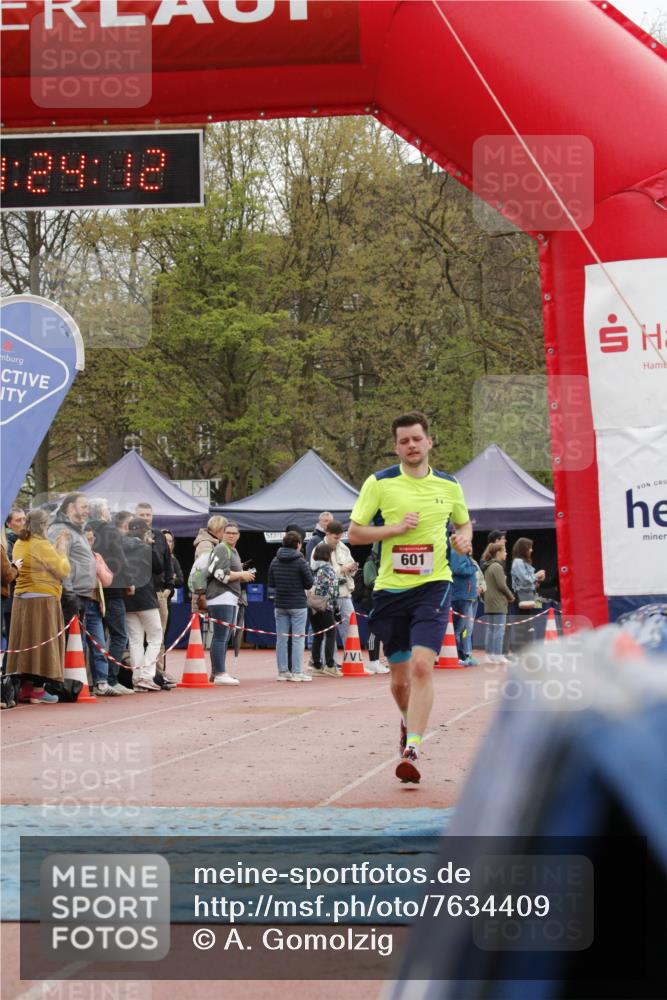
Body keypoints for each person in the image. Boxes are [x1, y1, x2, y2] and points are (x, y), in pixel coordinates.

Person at [348, 411, 472, 784]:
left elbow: (463, 521)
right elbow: (354, 533)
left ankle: (413, 746)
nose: (411, 446)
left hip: (434, 585)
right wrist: (395, 529)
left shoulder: (449, 485)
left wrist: (464, 538)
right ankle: (407, 723)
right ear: (396, 446)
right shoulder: (380, 483)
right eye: (404, 441)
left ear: (429, 441)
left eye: (417, 439)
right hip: (390, 591)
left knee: (422, 666)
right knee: (400, 679)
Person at [6, 508, 71, 704]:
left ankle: (25, 688)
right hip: (43, 599)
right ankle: (37, 690)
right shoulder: (41, 544)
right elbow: (63, 570)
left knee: (25, 644)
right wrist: (62, 548)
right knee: (44, 644)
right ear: (43, 525)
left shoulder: (19, 542)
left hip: (21, 598)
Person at [88, 503, 133, 694]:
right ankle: (111, 679)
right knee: (119, 635)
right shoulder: (110, 531)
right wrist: (129, 581)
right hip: (113, 589)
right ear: (103, 513)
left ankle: (97, 679)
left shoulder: (85, 530)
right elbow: (119, 557)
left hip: (93, 590)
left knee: (96, 638)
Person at [206, 531, 255, 685]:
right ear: (222, 534)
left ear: (239, 535)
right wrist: (241, 574)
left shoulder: (233, 550)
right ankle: (220, 673)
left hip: (230, 597)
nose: (231, 535)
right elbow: (220, 574)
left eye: (234, 533)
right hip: (222, 596)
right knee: (221, 637)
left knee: (223, 636)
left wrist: (240, 573)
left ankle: (217, 673)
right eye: (228, 533)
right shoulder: (222, 548)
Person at [123, 518, 164, 692]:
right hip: (146, 597)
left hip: (128, 598)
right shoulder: (145, 547)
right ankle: (146, 676)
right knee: (155, 637)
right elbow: (159, 566)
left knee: (135, 640)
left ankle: (137, 677)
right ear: (143, 531)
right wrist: (152, 545)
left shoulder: (121, 547)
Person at [47, 492, 97, 632]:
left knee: (76, 644)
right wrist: (69, 593)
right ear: (71, 507)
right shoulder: (61, 529)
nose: (87, 511)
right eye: (84, 507)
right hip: (71, 596)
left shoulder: (76, 530)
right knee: (70, 644)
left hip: (80, 595)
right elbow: (57, 562)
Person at [268, 530, 314, 681]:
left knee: (281, 639)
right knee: (297, 639)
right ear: (298, 545)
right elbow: (309, 583)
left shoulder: (275, 561)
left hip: (280, 604)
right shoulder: (301, 561)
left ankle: (282, 672)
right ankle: (297, 672)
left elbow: (271, 584)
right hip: (298, 605)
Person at [82, 522, 117, 696]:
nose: (89, 542)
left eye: (91, 539)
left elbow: (107, 579)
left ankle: (101, 681)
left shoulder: (97, 556)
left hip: (95, 602)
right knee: (78, 644)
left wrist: (96, 564)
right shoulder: (76, 555)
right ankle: (80, 681)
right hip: (80, 602)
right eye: (86, 539)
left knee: (99, 644)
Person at [134, 502, 173, 658]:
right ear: (135, 516)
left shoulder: (159, 536)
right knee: (138, 637)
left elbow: (167, 561)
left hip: (158, 593)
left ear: (152, 516)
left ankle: (158, 673)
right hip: (136, 593)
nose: (145, 518)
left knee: (159, 636)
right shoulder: (128, 536)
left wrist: (169, 586)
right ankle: (140, 673)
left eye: (148, 515)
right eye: (141, 515)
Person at [312, 520, 357, 649]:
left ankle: (351, 661)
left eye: (340, 537)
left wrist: (352, 568)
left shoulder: (344, 548)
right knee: (329, 632)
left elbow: (351, 566)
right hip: (327, 596)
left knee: (350, 629)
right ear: (327, 533)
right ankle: (330, 664)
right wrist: (341, 570)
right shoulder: (319, 549)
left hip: (344, 592)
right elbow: (316, 572)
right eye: (335, 537)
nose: (338, 540)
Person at [191, 515, 228, 649]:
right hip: (205, 592)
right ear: (219, 529)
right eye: (225, 530)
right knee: (198, 631)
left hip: (208, 591)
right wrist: (201, 594)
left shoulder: (212, 544)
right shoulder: (206, 545)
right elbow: (202, 570)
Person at [308, 542, 341, 677]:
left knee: (317, 634)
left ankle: (316, 665)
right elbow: (333, 591)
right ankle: (330, 664)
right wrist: (336, 609)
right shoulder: (329, 569)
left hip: (312, 605)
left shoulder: (313, 569)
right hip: (325, 606)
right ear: (328, 555)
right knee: (331, 634)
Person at [511, 536, 546, 651]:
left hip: (527, 595)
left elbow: (528, 581)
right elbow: (525, 579)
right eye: (529, 548)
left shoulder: (522, 562)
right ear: (523, 549)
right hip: (522, 596)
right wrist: (536, 575)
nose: (531, 550)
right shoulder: (518, 562)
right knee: (523, 622)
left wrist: (537, 581)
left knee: (526, 622)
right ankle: (520, 648)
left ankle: (525, 648)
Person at [482, 541, 515, 664]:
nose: (506, 553)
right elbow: (502, 585)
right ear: (498, 553)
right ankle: (497, 655)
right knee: (499, 630)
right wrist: (511, 596)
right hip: (498, 602)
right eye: (504, 551)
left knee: (491, 629)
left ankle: (490, 654)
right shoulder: (497, 567)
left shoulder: (489, 566)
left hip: (490, 602)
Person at [360, 543, 389, 674]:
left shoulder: (385, 561)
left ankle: (381, 660)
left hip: (383, 599)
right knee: (374, 631)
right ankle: (373, 662)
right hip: (372, 600)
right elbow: (369, 581)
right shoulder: (370, 562)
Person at [450, 545, 479, 666]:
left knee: (463, 629)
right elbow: (458, 569)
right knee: (459, 629)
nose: (470, 546)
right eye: (468, 543)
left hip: (465, 596)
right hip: (462, 596)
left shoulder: (462, 554)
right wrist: (473, 568)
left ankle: (463, 655)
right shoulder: (458, 552)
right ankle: (457, 656)